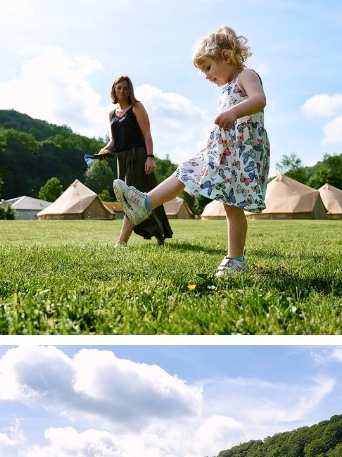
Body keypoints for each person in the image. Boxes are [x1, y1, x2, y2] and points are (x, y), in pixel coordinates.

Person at [112, 26, 269, 276]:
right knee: (185, 170)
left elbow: (259, 99)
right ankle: (144, 203)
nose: (207, 76)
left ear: (226, 56)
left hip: (243, 152)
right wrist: (208, 146)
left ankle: (236, 259)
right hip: (223, 150)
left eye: (208, 67)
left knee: (232, 205)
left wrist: (233, 112)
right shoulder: (224, 91)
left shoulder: (246, 75)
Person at [98, 76, 173, 246]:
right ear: (114, 90)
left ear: (129, 90)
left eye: (125, 88)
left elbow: (147, 134)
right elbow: (114, 140)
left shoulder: (137, 107)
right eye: (119, 88)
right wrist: (105, 150)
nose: (122, 91)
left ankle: (121, 241)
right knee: (144, 195)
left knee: (130, 198)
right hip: (121, 159)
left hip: (138, 156)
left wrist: (150, 157)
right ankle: (159, 233)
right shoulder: (112, 114)